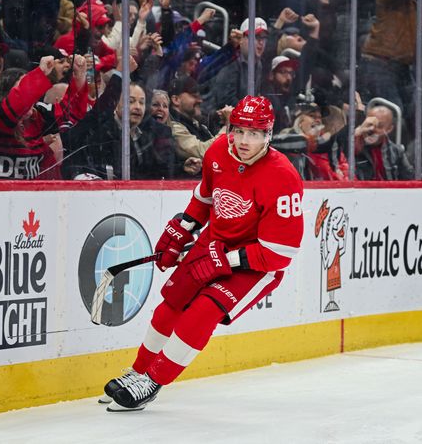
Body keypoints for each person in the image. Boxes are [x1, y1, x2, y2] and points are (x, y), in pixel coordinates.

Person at [102, 95, 304, 411]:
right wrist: (183, 227)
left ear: (268, 135)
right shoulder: (218, 150)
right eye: (239, 131)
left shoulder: (283, 176)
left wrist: (228, 260)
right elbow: (205, 199)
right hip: (214, 244)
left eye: (254, 133)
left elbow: (280, 252)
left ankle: (152, 382)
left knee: (203, 311)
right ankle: (137, 371)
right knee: (171, 304)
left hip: (255, 263)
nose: (244, 141)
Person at [354, 104, 414, 180]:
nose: (372, 129)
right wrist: (355, 135)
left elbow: (410, 178)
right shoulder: (353, 146)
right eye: (369, 124)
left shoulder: (396, 151)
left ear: (389, 129)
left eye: (379, 126)